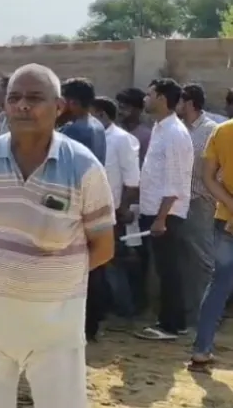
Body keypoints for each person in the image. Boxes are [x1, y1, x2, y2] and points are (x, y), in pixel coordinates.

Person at [0, 64, 115, 408]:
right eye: (14, 98)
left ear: (59, 107)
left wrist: (50, 280)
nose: (23, 105)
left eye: (34, 98)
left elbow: (103, 248)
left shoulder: (83, 166)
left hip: (56, 326)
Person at [136, 78, 194, 341]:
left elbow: (175, 182)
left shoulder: (175, 133)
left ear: (161, 98)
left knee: (169, 270)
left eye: (149, 95)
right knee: (164, 269)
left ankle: (170, 326)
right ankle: (173, 321)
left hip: (167, 213)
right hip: (155, 210)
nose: (145, 99)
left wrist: (161, 218)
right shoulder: (160, 128)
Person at [58, 77, 108, 341]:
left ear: (73, 102)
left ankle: (78, 324)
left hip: (73, 204)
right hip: (93, 201)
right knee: (93, 266)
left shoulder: (73, 131)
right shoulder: (97, 126)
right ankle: (92, 324)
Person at [89, 96, 141, 328]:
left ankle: (124, 312)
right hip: (93, 209)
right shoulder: (96, 137)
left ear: (101, 114)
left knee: (113, 263)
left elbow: (132, 180)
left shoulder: (121, 139)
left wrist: (123, 209)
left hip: (113, 212)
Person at [188, 115, 233, 372]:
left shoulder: (222, 131)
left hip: (226, 218)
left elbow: (208, 177)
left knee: (218, 285)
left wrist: (230, 204)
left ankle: (201, 350)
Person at [175, 83, 219, 326]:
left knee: (203, 261)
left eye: (179, 101)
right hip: (181, 203)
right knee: (186, 261)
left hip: (201, 202)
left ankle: (206, 316)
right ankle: (191, 313)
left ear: (189, 103)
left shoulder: (211, 130)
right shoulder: (180, 129)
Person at [115, 88, 152, 164]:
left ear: (138, 110)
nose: (120, 112)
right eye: (119, 107)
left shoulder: (146, 136)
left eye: (124, 108)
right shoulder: (114, 131)